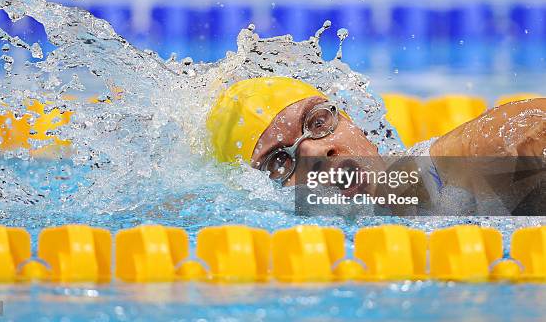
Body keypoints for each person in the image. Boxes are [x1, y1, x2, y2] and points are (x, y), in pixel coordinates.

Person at [207, 76, 545, 214]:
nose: (315, 152)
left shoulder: (443, 174)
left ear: (353, 121)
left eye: (318, 123)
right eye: (279, 162)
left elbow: (522, 127)